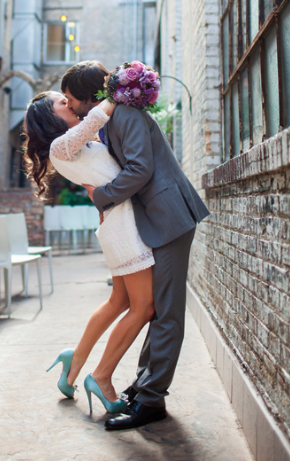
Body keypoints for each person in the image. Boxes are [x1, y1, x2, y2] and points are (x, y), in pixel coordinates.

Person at [61, 61, 209, 431]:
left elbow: (140, 169)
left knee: (167, 314)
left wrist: (102, 197)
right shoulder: (113, 120)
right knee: (156, 309)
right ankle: (145, 387)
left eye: (70, 100)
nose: (71, 107)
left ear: (87, 97)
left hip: (169, 218)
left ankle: (152, 401)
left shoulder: (124, 115)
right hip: (157, 219)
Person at [24, 91, 152, 418]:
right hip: (123, 228)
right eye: (61, 102)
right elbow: (98, 115)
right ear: (49, 118)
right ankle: (102, 376)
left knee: (120, 302)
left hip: (119, 223)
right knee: (144, 306)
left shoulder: (77, 144)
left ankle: (74, 361)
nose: (69, 103)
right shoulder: (60, 146)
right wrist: (120, 88)